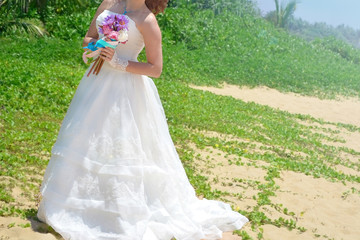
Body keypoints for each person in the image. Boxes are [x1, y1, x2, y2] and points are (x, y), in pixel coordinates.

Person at [37, 0, 249, 239]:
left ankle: (119, 208)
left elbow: (155, 68)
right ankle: (71, 203)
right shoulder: (108, 2)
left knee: (121, 148)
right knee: (85, 139)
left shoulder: (147, 20)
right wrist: (99, 45)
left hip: (126, 91)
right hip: (94, 83)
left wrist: (119, 62)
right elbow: (87, 38)